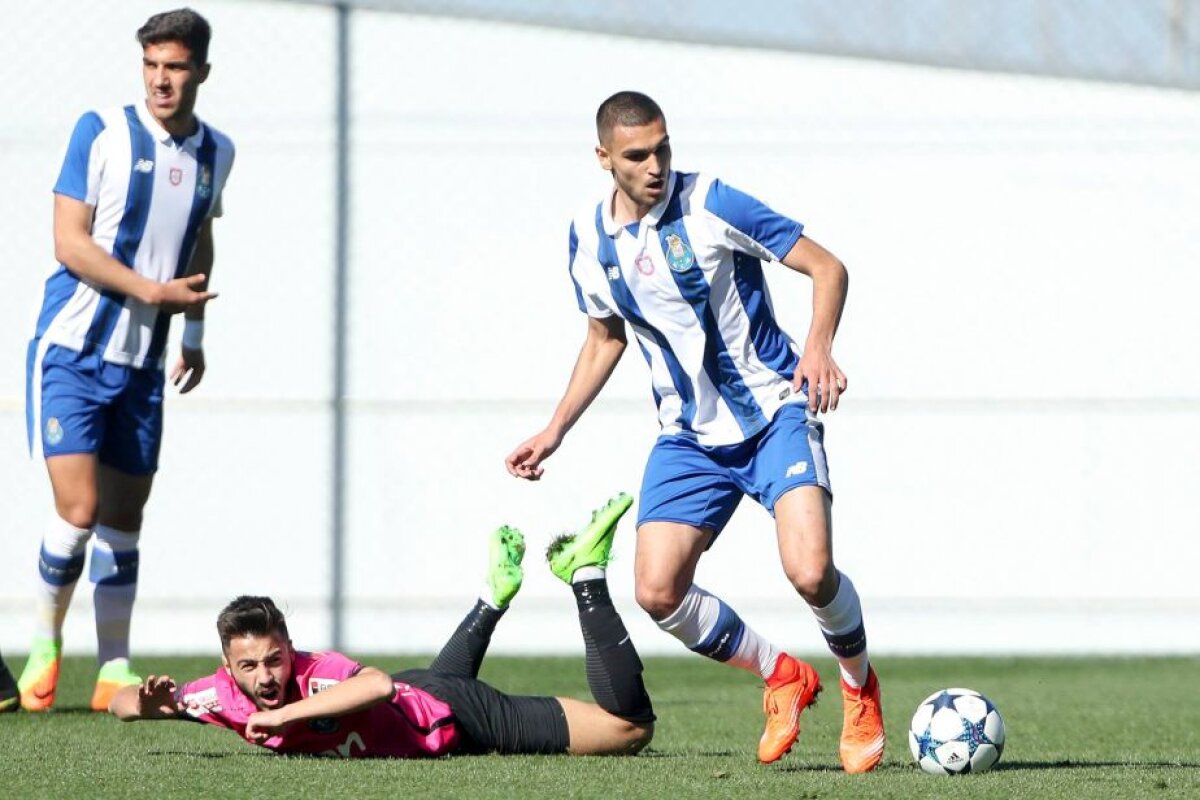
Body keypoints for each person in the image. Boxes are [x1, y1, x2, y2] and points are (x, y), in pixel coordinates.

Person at [504, 91, 884, 773]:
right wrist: (555, 429)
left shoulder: (710, 202)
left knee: (810, 572)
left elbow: (828, 268)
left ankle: (859, 688)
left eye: (663, 149)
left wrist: (818, 348)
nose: (655, 166)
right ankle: (782, 675)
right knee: (657, 591)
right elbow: (604, 338)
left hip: (775, 412)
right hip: (687, 436)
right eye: (637, 155)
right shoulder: (588, 239)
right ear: (604, 158)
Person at [19, 7, 234, 713]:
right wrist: (153, 292)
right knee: (78, 509)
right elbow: (69, 242)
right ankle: (45, 645)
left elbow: (200, 240)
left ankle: (113, 666)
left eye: (175, 67)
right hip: (72, 352)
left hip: (143, 365)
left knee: (123, 519)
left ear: (201, 71)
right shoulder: (101, 132)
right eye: (151, 65)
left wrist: (193, 330)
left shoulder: (217, 151)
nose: (160, 80)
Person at [109, 495, 654, 758]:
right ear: (228, 669)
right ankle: (492, 598)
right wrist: (148, 702)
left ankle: (585, 573)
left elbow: (376, 685)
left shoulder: (316, 674)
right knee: (428, 689)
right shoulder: (221, 695)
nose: (265, 676)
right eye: (249, 666)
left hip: (460, 715)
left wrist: (284, 715)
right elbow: (121, 704)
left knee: (628, 731)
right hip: (423, 691)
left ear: (291, 650)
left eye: (274, 660)